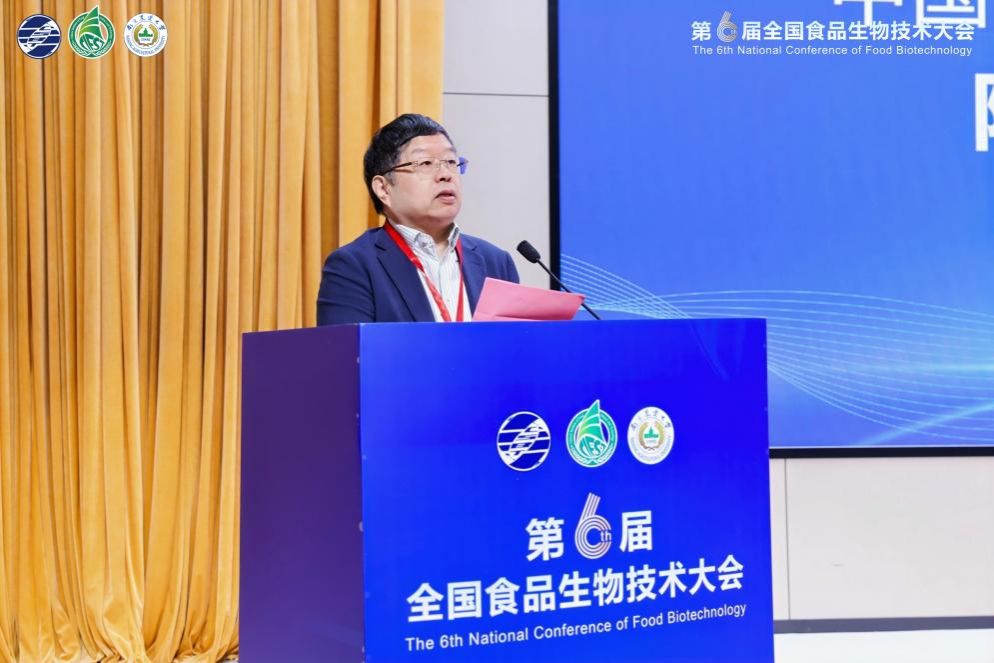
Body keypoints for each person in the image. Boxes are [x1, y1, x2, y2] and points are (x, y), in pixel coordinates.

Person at [316, 114, 519, 324]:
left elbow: (515, 343)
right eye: (425, 163)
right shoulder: (353, 266)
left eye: (451, 162)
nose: (445, 174)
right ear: (384, 189)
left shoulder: (495, 262)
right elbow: (350, 346)